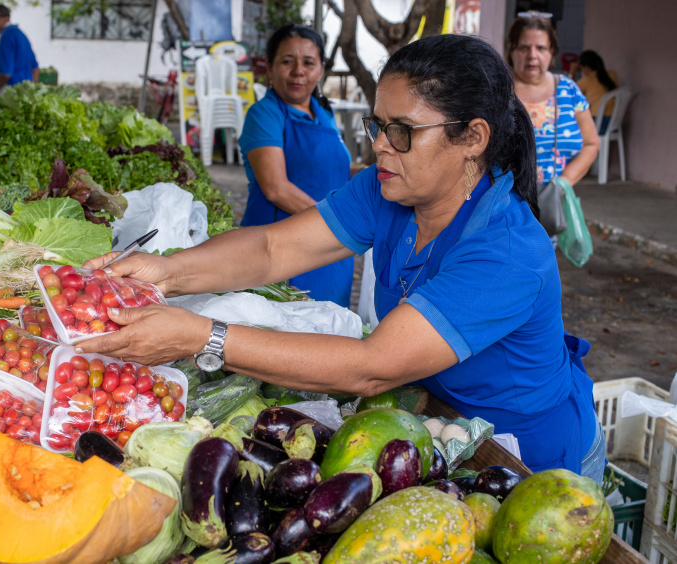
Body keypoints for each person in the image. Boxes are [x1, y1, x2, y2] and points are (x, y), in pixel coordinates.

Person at [77, 34, 605, 482]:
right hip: (438, 423)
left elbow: (372, 368)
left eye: (402, 131)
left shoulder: (508, 252)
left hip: (528, 456)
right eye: (377, 126)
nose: (380, 146)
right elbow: (272, 248)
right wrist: (168, 271)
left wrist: (202, 336)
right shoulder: (390, 188)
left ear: (472, 138)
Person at [237, 24, 354, 307]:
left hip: (331, 251)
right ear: (270, 67)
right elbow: (276, 188)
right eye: (287, 61)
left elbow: (332, 171)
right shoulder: (264, 114)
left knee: (328, 332)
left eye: (308, 62)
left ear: (321, 69)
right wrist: (339, 225)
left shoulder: (325, 112)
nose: (298, 71)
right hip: (280, 248)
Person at [507, 14, 599, 189]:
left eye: (541, 48)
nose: (532, 55)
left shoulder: (568, 90)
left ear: (552, 52)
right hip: (506, 206)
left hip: (554, 203)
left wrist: (564, 182)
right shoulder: (497, 92)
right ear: (511, 50)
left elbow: (591, 143)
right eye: (524, 48)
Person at [0, 3, 39, 95]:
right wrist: (31, 92)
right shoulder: (21, 34)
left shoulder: (7, 36)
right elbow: (35, 69)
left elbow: (5, 74)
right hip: (25, 93)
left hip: (11, 94)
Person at [575, 50, 619, 135]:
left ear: (587, 67)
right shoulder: (612, 75)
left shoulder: (586, 81)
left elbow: (567, 92)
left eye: (581, 68)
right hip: (615, 122)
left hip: (599, 123)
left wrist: (572, 72)